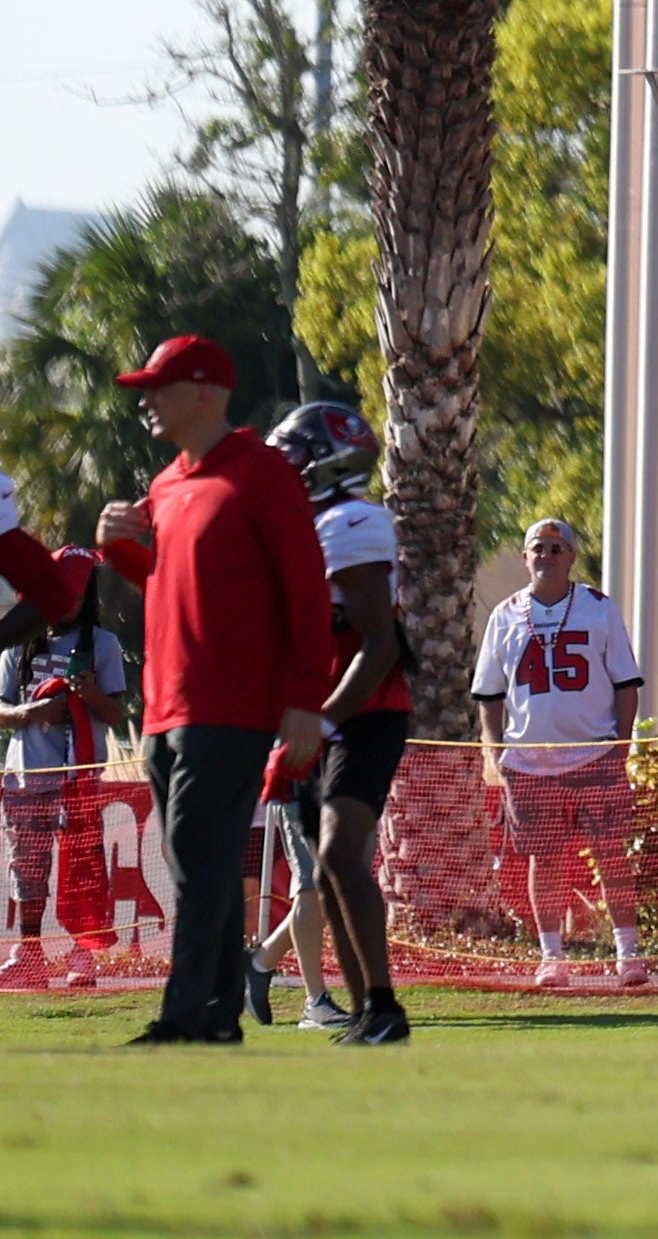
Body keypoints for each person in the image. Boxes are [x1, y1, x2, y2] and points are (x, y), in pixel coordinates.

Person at [84, 334, 333, 1048]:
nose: (147, 403)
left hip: (231, 709)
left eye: (159, 389)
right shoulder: (165, 485)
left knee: (198, 858)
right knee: (200, 864)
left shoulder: (262, 474)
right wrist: (119, 549)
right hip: (164, 709)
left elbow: (306, 595)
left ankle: (184, 1017)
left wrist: (304, 700)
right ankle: (219, 1017)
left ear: (203, 394)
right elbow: (173, 586)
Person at [244, 404, 418, 1044]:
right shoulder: (301, 526)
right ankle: (368, 1010)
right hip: (317, 715)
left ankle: (384, 1004)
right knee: (326, 866)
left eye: (292, 454)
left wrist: (323, 718)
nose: (280, 466)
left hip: (366, 712)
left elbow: (379, 644)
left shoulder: (352, 521)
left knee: (343, 853)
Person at [468, 516, 650, 988]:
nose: (545, 556)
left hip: (594, 755)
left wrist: (620, 746)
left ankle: (628, 953)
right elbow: (488, 692)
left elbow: (626, 683)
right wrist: (495, 750)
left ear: (571, 555)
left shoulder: (598, 607)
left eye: (555, 548)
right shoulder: (504, 614)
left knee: (611, 854)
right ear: (524, 557)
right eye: (537, 548)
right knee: (543, 860)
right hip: (530, 761)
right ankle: (552, 957)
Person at [0, 471, 123, 991]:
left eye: (77, 594)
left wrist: (88, 696)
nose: (68, 603)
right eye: (61, 592)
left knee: (82, 870)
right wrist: (31, 715)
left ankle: (83, 956)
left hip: (79, 779)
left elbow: (117, 713)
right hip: (25, 777)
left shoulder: (104, 644)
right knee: (27, 870)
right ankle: (29, 955)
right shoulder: (15, 644)